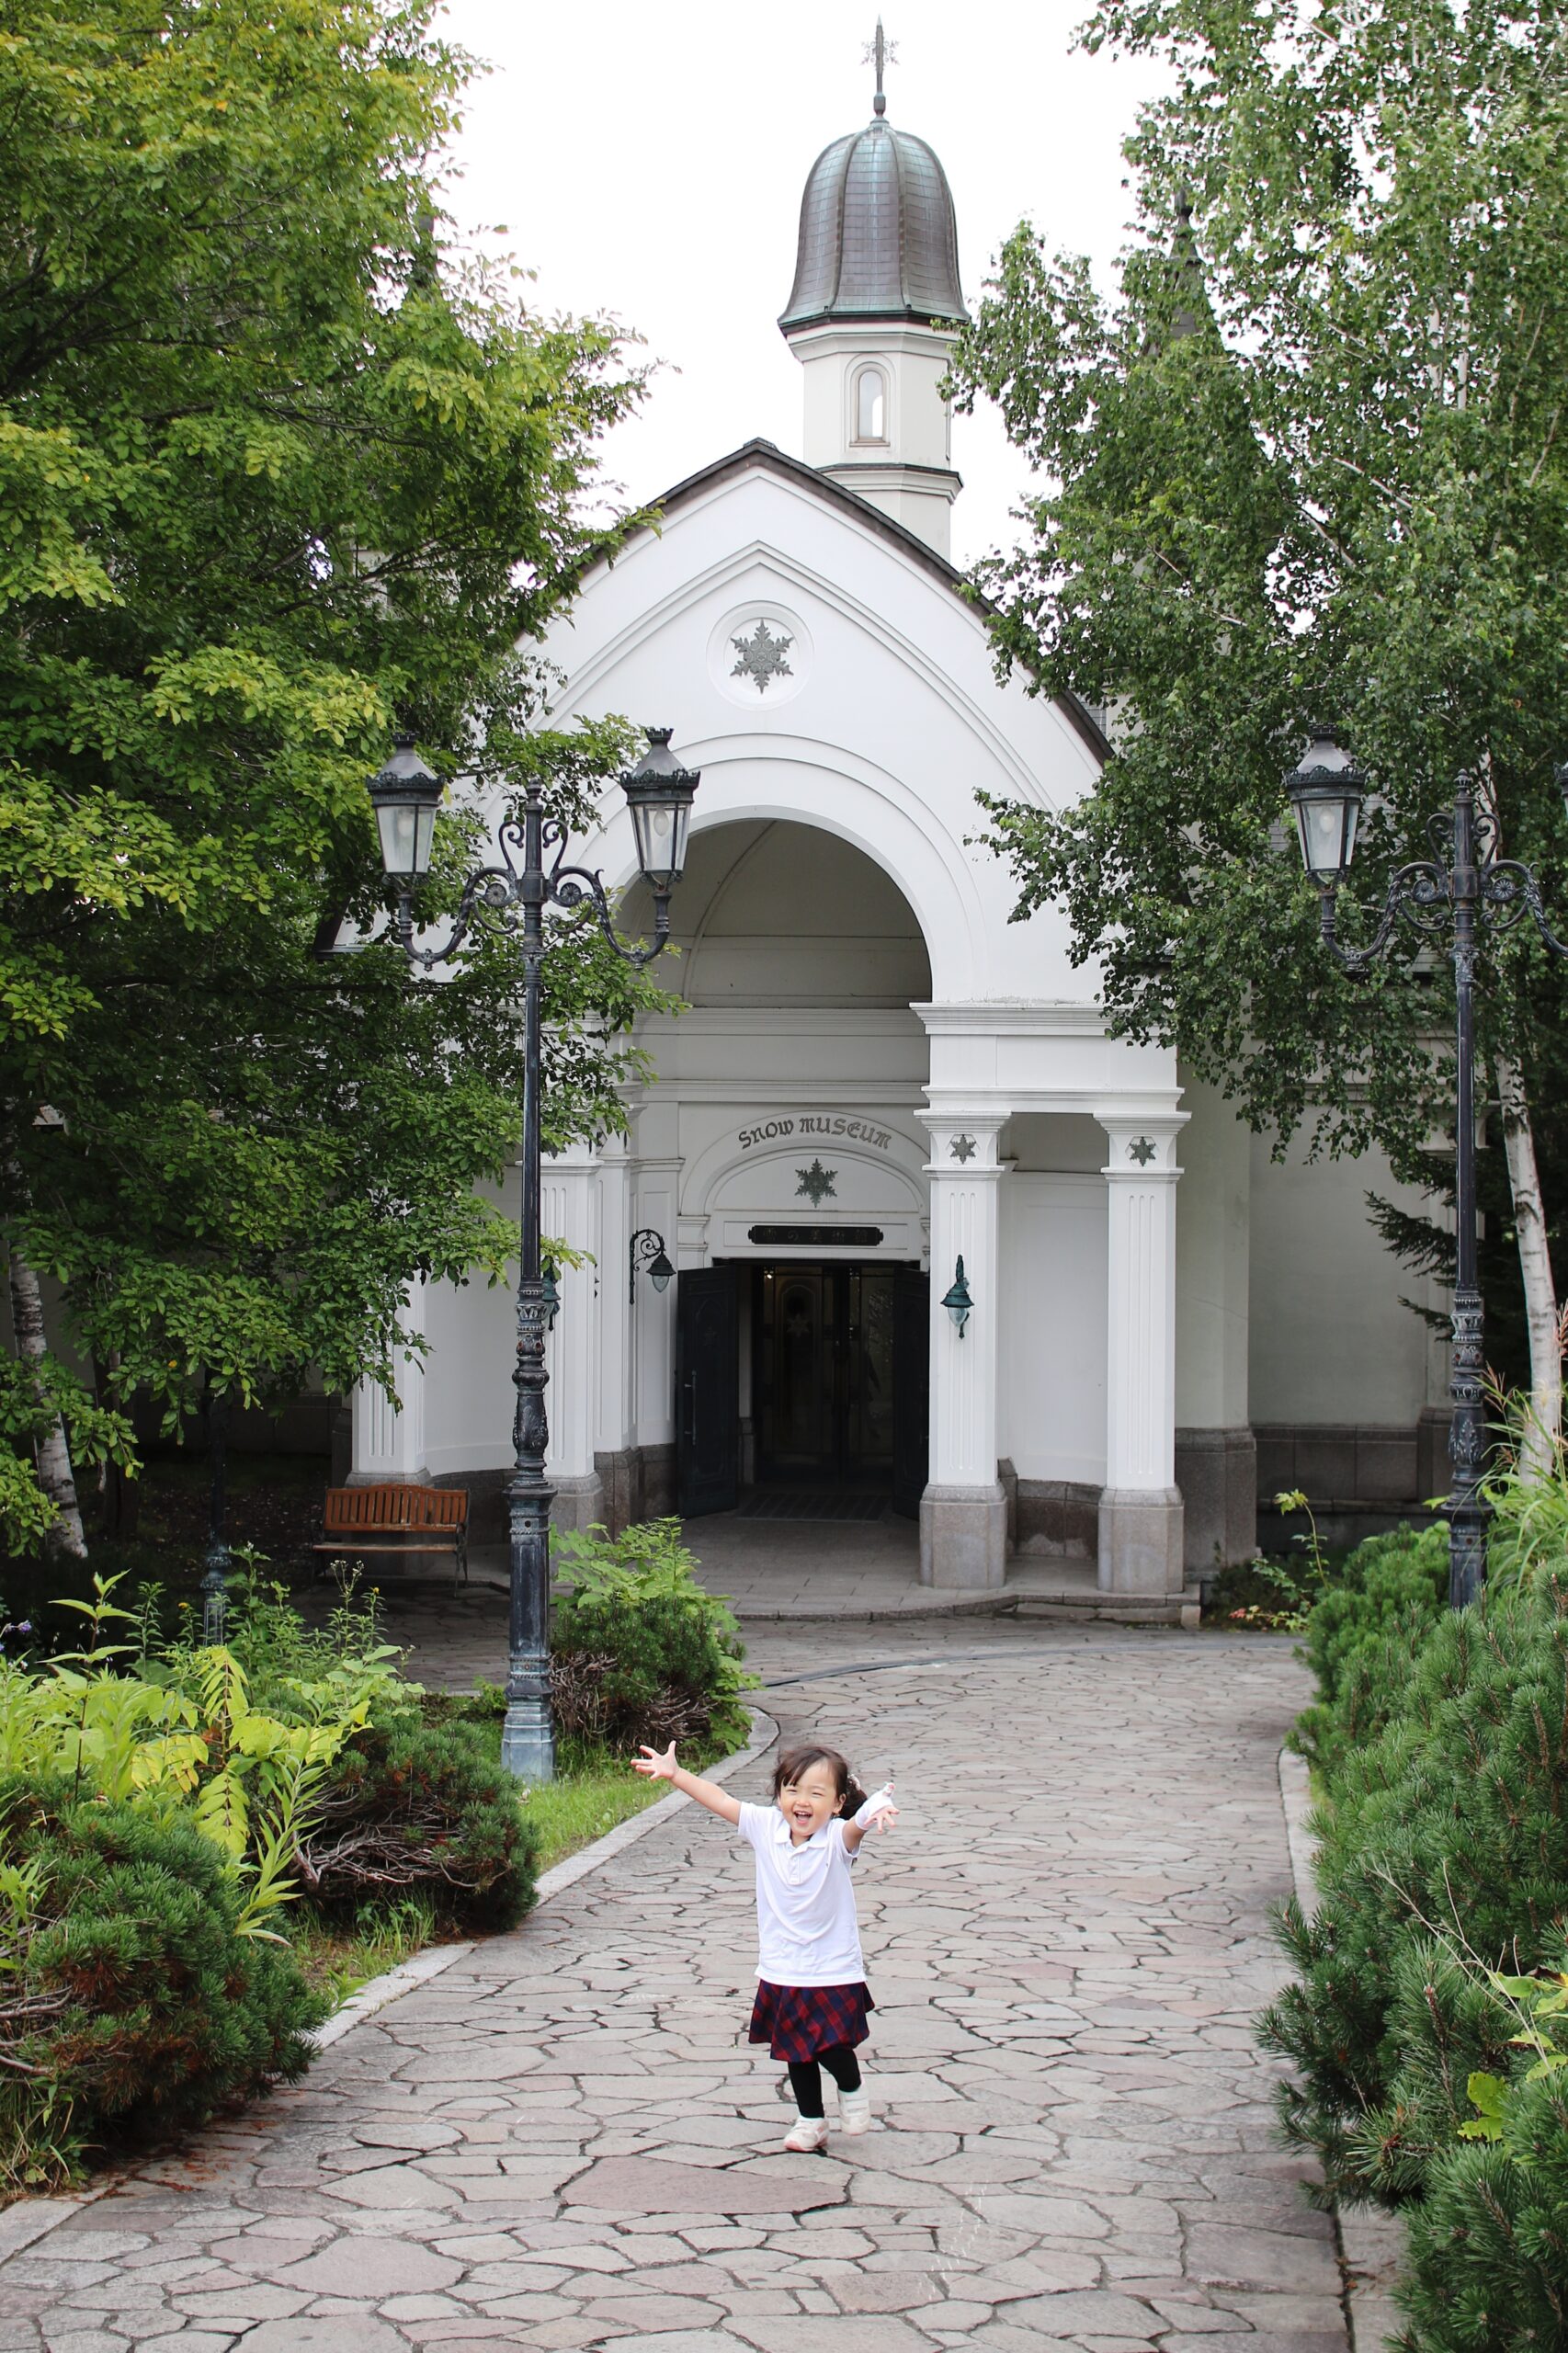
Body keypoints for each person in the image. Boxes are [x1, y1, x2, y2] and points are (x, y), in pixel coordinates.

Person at [633, 1738, 897, 2151]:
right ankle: (810, 2120)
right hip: (782, 1967)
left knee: (831, 2045)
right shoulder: (765, 1826)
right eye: (792, 1790)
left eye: (816, 1793)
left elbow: (856, 1826)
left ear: (836, 1801)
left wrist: (872, 1809)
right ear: (778, 1796)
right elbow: (719, 1799)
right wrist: (675, 1774)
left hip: (831, 1968)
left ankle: (851, 2085)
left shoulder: (835, 1841)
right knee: (796, 2049)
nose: (802, 1801)